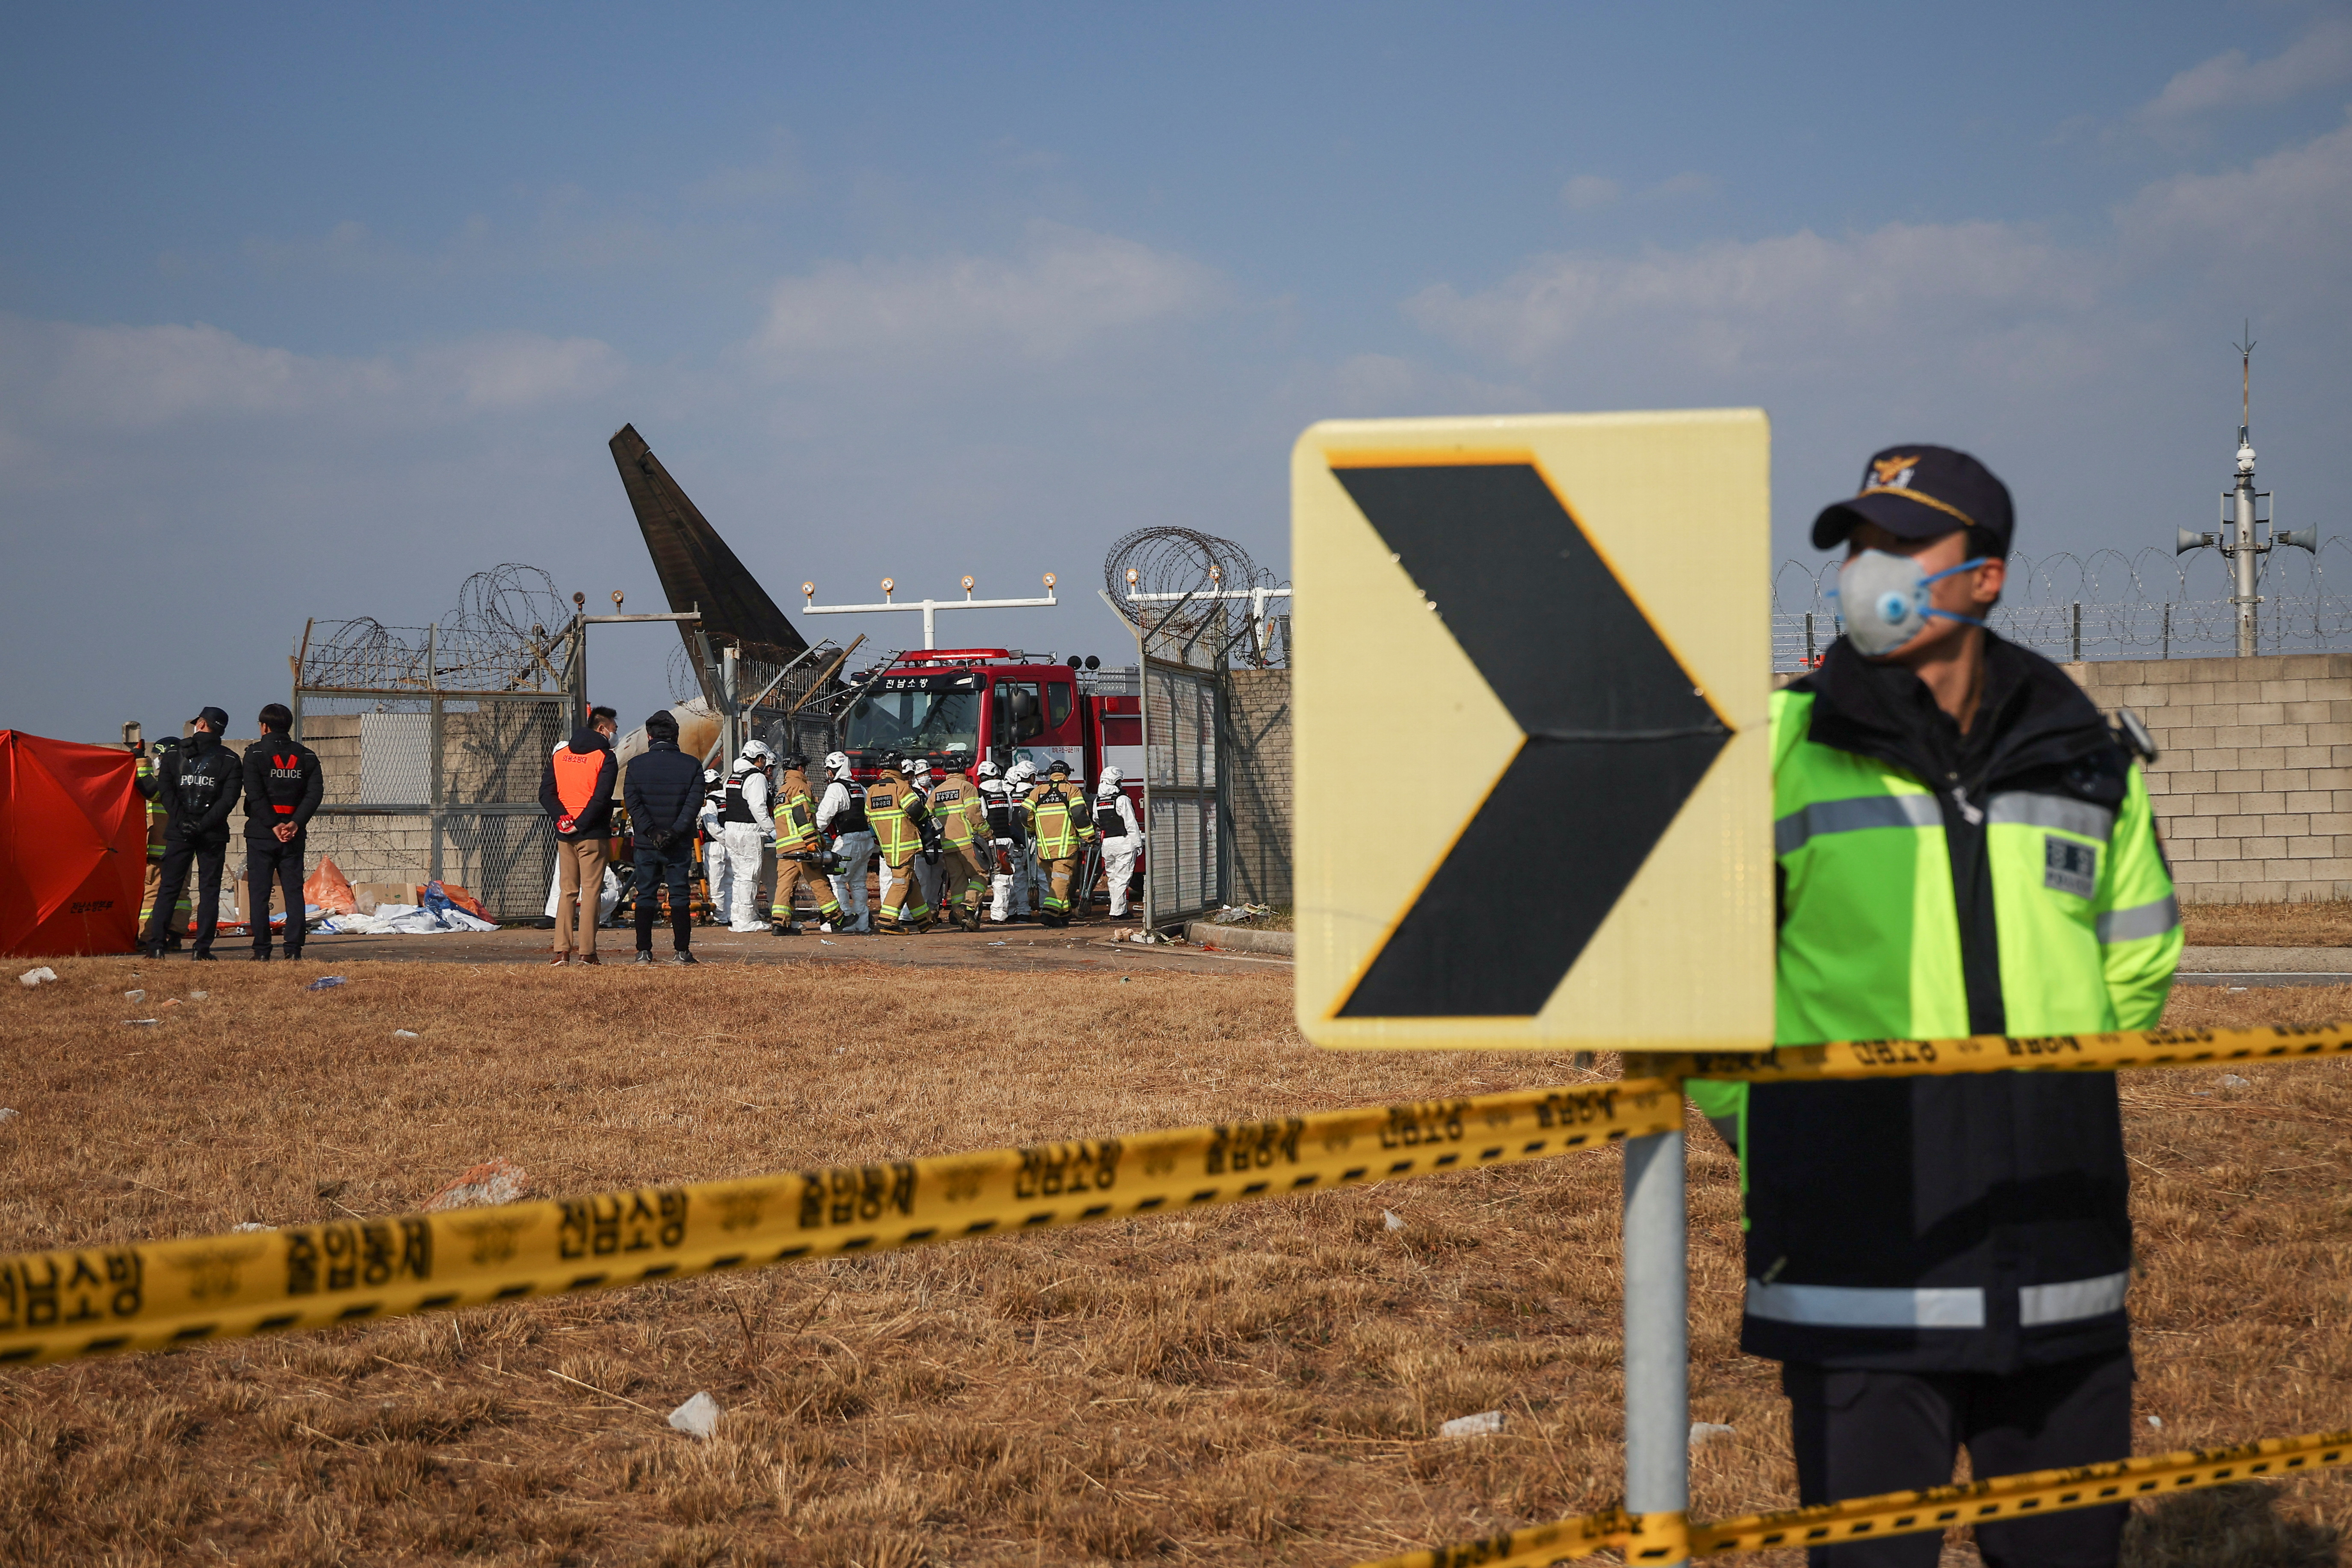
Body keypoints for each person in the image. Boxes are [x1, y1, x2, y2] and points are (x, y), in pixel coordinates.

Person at [1685, 447, 2182, 1568]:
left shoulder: (2086, 755)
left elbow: (2138, 961)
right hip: (1857, 1272)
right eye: (1859, 546)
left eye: (1904, 546)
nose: (1869, 570)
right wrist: (1778, 1128)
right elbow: (1693, 986)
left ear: (1985, 577)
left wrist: (2038, 1105)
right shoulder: (1778, 749)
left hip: (2057, 1263)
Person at [138, 706, 242, 960]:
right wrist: (203, 824)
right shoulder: (230, 759)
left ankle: (156, 947)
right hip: (213, 833)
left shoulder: (175, 754)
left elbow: (166, 791)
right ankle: (202, 949)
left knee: (169, 888)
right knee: (209, 891)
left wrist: (182, 821)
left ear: (202, 724)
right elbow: (228, 800)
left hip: (178, 832)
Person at [240, 704, 323, 961]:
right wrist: (295, 823)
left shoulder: (254, 754)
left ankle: (262, 951)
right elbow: (314, 794)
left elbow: (255, 794)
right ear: (288, 726)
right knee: (293, 891)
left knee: (260, 893)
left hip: (261, 834)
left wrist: (273, 824)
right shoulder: (307, 756)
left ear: (264, 726)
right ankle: (294, 950)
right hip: (294, 835)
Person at [538, 705, 620, 966]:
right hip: (592, 832)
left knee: (567, 891)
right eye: (614, 730)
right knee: (592, 890)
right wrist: (581, 823)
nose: (615, 735)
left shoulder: (561, 754)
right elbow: (601, 797)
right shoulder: (604, 757)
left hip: (564, 833)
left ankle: (562, 951)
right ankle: (587, 952)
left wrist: (563, 819)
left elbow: (546, 793)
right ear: (602, 728)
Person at [623, 709, 705, 965]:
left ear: (649, 736)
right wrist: (675, 832)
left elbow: (633, 804)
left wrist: (652, 831)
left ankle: (643, 952)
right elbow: (694, 805)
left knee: (645, 893)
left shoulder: (635, 766)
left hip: (647, 842)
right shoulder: (692, 765)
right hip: (678, 842)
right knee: (680, 893)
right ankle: (682, 951)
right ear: (676, 736)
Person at [768, 753, 845, 933]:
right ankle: (837, 918)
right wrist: (812, 842)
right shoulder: (800, 786)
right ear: (800, 768)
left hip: (785, 847)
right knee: (818, 880)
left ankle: (780, 923)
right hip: (801, 845)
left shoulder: (782, 790)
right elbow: (802, 814)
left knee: (785, 885)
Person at [707, 740, 776, 933]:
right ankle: (746, 920)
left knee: (739, 876)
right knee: (749, 876)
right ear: (760, 759)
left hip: (731, 830)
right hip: (749, 831)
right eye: (764, 760)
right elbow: (758, 807)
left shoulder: (732, 777)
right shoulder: (757, 778)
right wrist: (771, 829)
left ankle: (738, 917)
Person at [1022, 758, 1097, 929]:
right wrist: (1090, 837)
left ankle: (1063, 915)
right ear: (1067, 774)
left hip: (1044, 851)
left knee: (1056, 883)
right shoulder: (1071, 790)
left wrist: (1032, 829)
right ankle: (1049, 912)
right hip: (1065, 849)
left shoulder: (1037, 792)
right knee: (1062, 880)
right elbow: (1079, 815)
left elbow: (1023, 815)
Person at [925, 761, 995, 932]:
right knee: (981, 875)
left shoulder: (937, 792)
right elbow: (974, 814)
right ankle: (968, 907)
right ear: (963, 769)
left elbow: (928, 817)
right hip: (968, 843)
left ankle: (960, 915)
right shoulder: (967, 787)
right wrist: (987, 833)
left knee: (958, 881)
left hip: (948, 845)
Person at [867, 756, 933, 933]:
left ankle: (924, 919)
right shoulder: (901, 786)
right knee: (902, 882)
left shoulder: (872, 790)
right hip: (904, 844)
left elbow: (869, 818)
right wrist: (928, 823)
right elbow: (916, 810)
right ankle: (888, 921)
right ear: (898, 766)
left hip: (887, 847)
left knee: (911, 880)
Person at [817, 751, 875, 933]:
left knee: (837, 880)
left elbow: (823, 817)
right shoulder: (859, 787)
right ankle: (862, 924)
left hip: (848, 841)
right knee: (858, 883)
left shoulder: (836, 788)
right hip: (866, 840)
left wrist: (811, 834)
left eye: (830, 770)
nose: (829, 774)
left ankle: (844, 922)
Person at [133, 734, 183, 946]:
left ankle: (149, 937)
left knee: (153, 893)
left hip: (159, 851)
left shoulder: (168, 780)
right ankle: (176, 934)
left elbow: (150, 790)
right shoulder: (188, 779)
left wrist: (140, 761)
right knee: (181, 894)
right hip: (184, 847)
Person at [990, 759, 1039, 922]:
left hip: (1015, 843)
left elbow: (1010, 818)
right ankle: (1038, 911)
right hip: (1033, 841)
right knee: (1040, 877)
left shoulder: (1010, 795)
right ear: (1031, 776)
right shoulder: (1035, 794)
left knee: (1015, 878)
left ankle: (1016, 912)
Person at [1093, 766, 1142, 918]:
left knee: (1113, 879)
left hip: (1107, 844)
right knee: (1122, 878)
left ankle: (1116, 909)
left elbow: (1096, 819)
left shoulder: (1098, 801)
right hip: (1124, 842)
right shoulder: (1122, 799)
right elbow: (1130, 823)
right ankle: (1118, 912)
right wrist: (1138, 843)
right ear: (1115, 782)